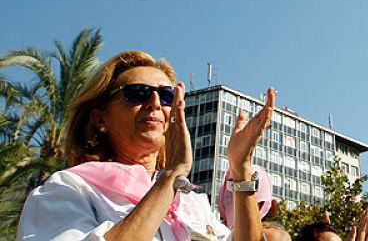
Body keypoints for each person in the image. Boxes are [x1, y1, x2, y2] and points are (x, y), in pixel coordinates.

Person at [17, 50, 276, 241]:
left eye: (166, 96)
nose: (154, 103)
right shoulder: (66, 189)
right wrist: (172, 175)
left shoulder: (192, 203)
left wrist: (240, 170)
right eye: (137, 93)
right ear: (99, 119)